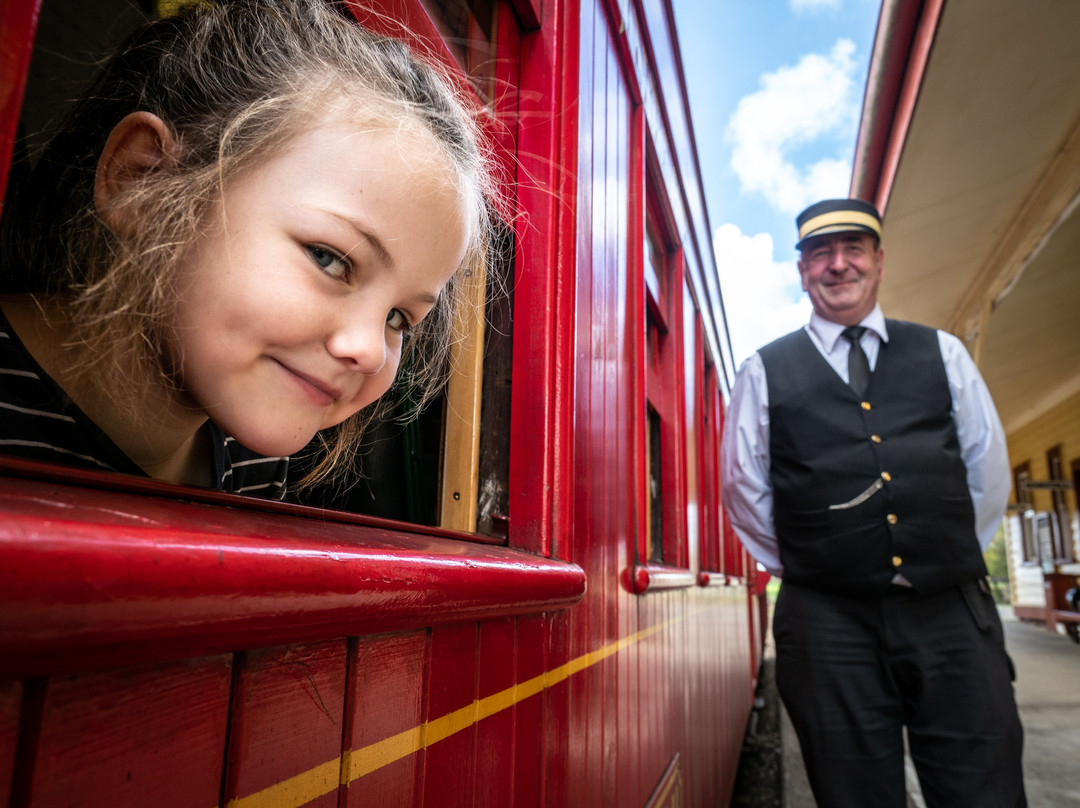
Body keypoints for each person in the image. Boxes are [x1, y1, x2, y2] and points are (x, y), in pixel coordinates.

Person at [0, 0, 499, 500]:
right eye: (329, 258)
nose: (369, 352)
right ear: (144, 182)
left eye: (398, 318)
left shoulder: (256, 462)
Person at [720, 198, 1026, 807]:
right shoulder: (763, 370)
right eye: (820, 253)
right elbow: (744, 491)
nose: (839, 265)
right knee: (852, 792)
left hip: (952, 615)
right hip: (828, 622)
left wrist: (940, 551)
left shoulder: (943, 353)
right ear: (802, 268)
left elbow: (986, 475)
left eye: (853, 249)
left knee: (982, 787)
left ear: (879, 262)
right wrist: (820, 561)